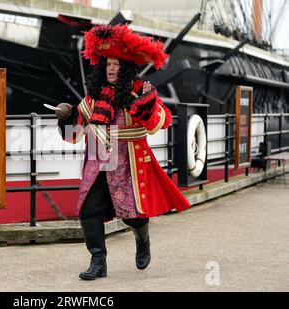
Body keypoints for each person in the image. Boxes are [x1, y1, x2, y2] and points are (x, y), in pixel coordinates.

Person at [55, 24, 191, 280]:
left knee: (133, 215)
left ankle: (143, 239)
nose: (111, 68)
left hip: (127, 162)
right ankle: (98, 262)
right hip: (97, 163)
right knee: (89, 212)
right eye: (107, 64)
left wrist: (145, 107)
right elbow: (74, 135)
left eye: (116, 64)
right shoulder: (92, 99)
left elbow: (160, 122)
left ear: (126, 67)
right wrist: (66, 116)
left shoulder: (141, 92)